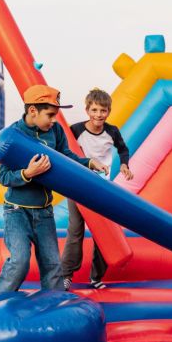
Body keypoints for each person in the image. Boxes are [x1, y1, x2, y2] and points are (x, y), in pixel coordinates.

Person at [0, 84, 107, 292]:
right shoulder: (13, 136)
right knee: (19, 262)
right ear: (33, 111)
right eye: (50, 114)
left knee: (53, 265)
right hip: (17, 211)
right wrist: (28, 173)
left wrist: (89, 162)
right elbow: (3, 177)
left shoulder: (54, 131)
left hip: (44, 212)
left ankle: (54, 308)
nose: (55, 119)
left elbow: (67, 158)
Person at [62, 88, 133, 291]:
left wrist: (125, 164)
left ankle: (96, 277)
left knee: (104, 233)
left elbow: (123, 149)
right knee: (75, 230)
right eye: (94, 110)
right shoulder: (75, 130)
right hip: (77, 185)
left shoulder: (112, 131)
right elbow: (64, 149)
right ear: (87, 110)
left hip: (102, 187)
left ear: (108, 111)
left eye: (103, 110)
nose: (98, 115)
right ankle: (66, 275)